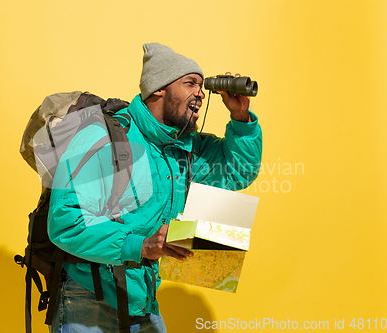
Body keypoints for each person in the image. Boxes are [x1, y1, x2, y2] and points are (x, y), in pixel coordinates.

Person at [47, 42, 262, 333]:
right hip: (89, 299)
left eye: (202, 86)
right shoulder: (104, 135)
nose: (200, 93)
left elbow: (238, 172)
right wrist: (144, 245)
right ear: (159, 88)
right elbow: (65, 224)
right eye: (190, 83)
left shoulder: (182, 150)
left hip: (142, 296)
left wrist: (241, 118)